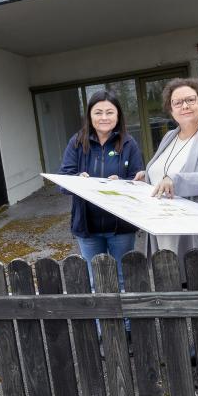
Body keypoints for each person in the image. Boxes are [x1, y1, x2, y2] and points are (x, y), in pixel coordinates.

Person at [135, 78, 198, 273]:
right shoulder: (169, 136)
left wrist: (175, 181)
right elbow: (164, 170)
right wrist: (147, 176)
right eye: (177, 102)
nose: (185, 106)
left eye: (190, 100)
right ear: (171, 110)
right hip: (162, 226)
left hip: (193, 228)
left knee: (196, 279)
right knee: (170, 280)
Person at [59, 90, 144, 289]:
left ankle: (125, 312)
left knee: (123, 281)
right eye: (98, 112)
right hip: (87, 226)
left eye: (109, 112)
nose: (104, 117)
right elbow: (62, 182)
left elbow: (138, 182)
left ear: (118, 115)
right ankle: (101, 312)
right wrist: (78, 181)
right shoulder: (77, 142)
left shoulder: (129, 143)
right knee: (96, 281)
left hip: (121, 226)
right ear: (89, 115)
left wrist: (122, 183)